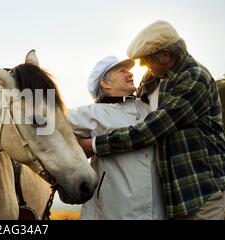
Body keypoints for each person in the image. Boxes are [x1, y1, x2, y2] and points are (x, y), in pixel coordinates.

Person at [78, 20, 225, 220]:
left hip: (199, 191)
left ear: (165, 55)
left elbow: (150, 130)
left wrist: (94, 144)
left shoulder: (194, 78)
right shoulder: (154, 76)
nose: (140, 67)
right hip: (168, 198)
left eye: (145, 60)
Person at [68, 55, 165, 219]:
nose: (131, 74)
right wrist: (82, 148)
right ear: (105, 83)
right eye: (123, 71)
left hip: (157, 211)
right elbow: (57, 138)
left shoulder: (145, 105)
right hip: (115, 210)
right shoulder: (91, 113)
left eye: (130, 70)